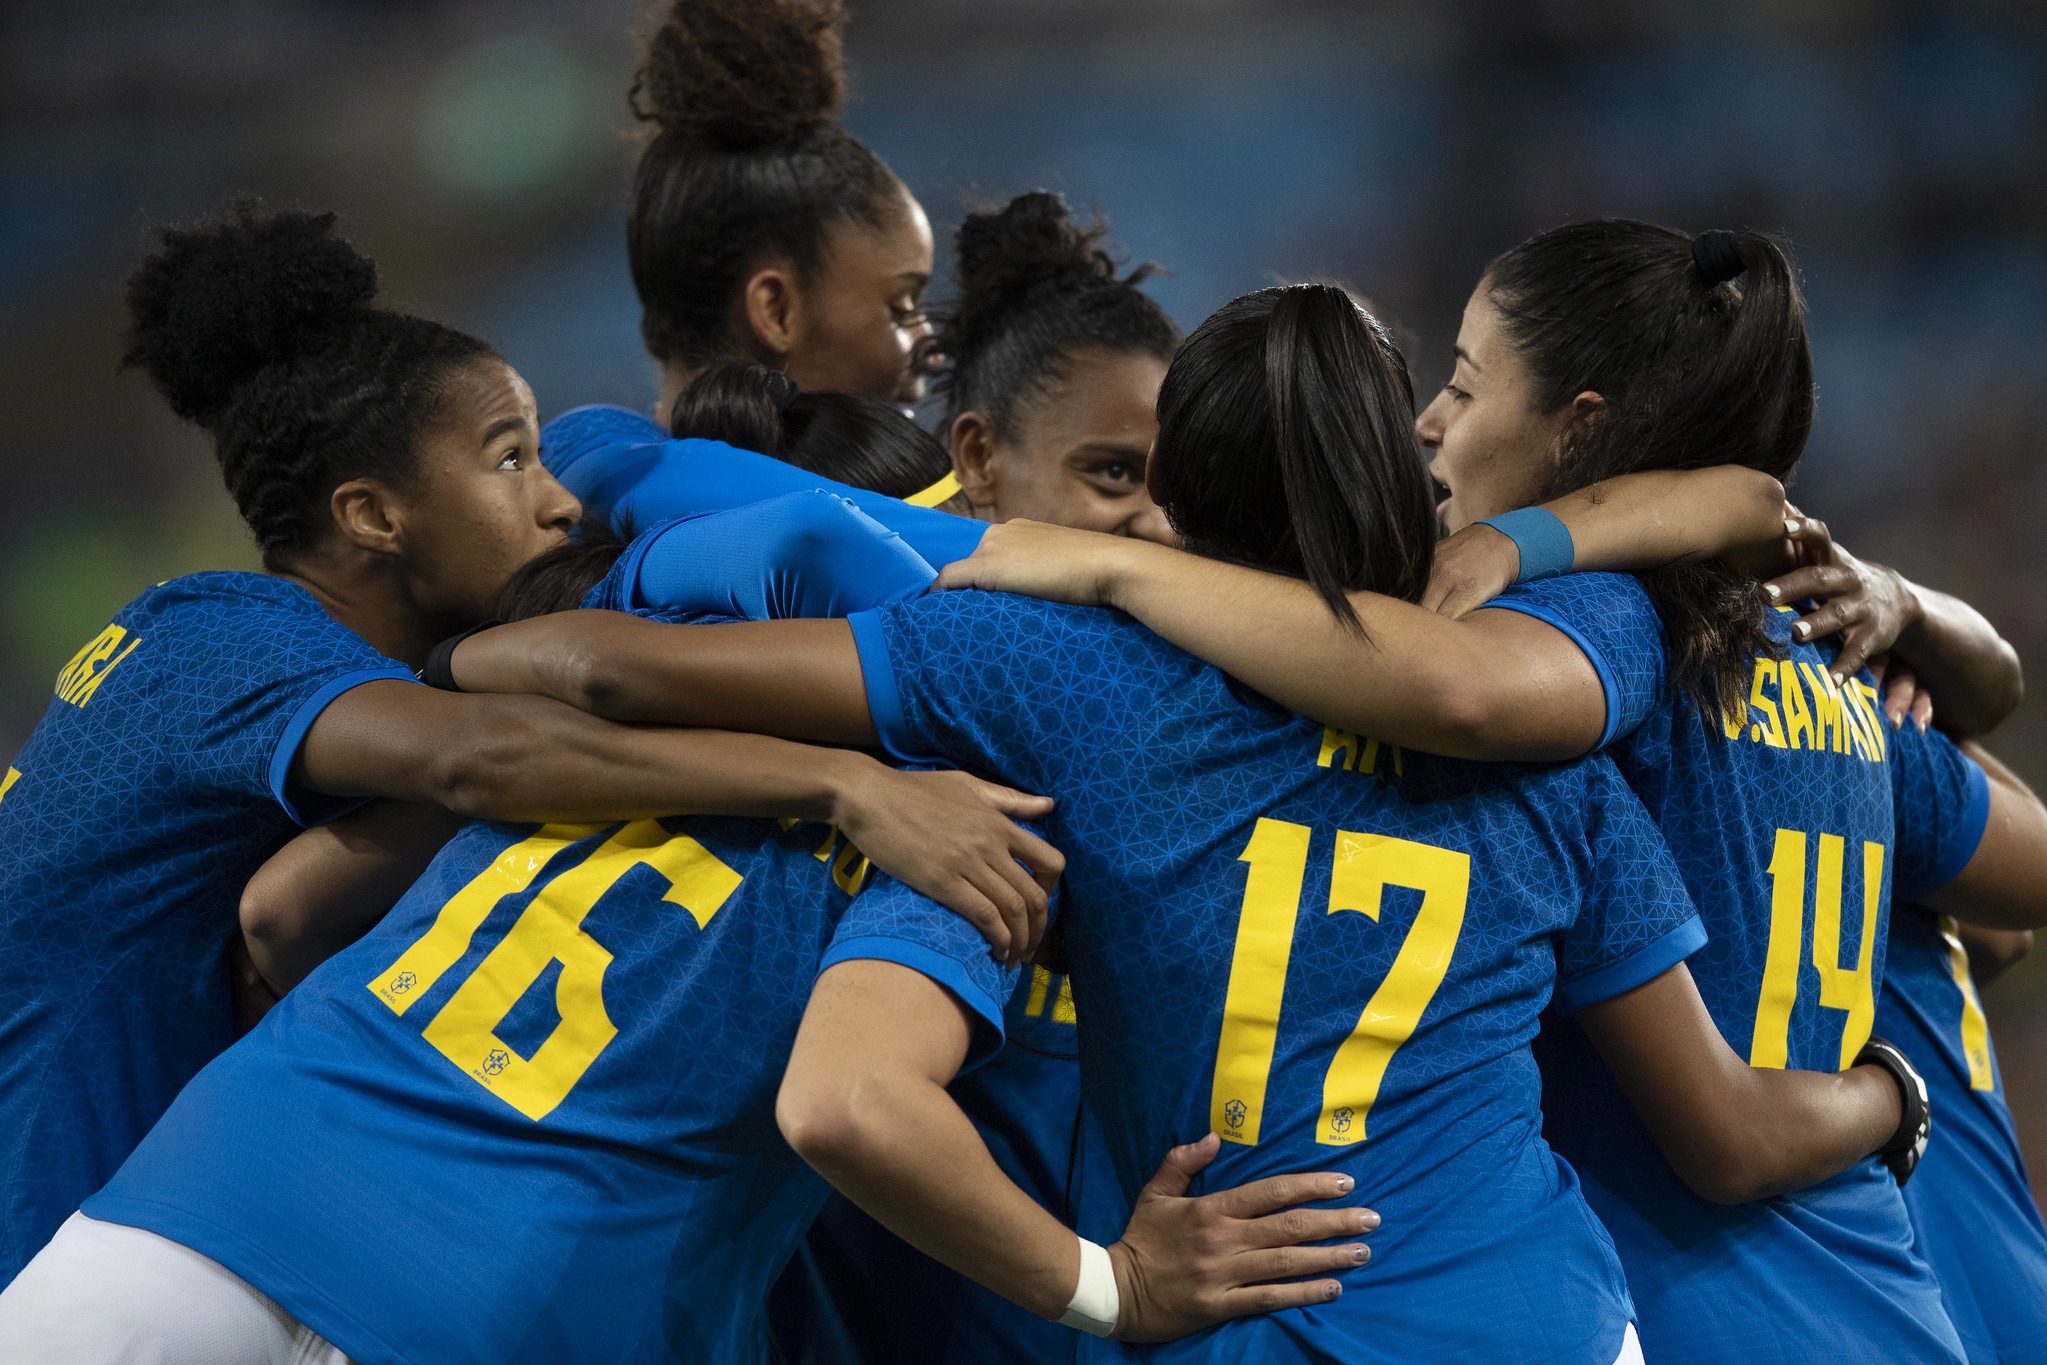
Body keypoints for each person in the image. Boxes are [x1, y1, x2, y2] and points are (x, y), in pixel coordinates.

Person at [436, 284, 1939, 1364]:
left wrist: (463, 657)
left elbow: (590, 668)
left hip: (1249, 1317)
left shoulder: (1049, 673)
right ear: (1396, 481)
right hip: (1545, 1314)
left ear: (1176, 495)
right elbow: (1747, 523)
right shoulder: (1566, 723)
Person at [0, 380, 1378, 1363]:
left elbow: (279, 910)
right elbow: (850, 1109)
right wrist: (1113, 1290)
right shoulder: (957, 825)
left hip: (179, 1212)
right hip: (490, 1301)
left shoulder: (572, 748)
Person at [929, 222, 2047, 1363]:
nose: (1427, 422)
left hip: (1695, 1309)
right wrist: (1921, 613)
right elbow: (2011, 899)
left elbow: (1455, 691)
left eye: (1462, 387)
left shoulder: (1586, 646)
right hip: (1902, 1302)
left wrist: (1126, 565)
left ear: (1580, 428)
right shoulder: (1816, 653)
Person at [0, 206, 1056, 1285]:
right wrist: (842, 783)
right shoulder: (222, 634)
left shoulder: (294, 671)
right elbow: (480, 760)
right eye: (510, 461)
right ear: (371, 515)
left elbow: (283, 905)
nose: (557, 503)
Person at [771, 189, 1183, 1365]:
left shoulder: (1175, 665)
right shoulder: (951, 720)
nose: (1155, 529)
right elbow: (852, 1105)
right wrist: (1114, 1291)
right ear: (978, 460)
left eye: (1174, 486)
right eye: (1112, 477)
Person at [628, 0, 936, 418]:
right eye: (900, 309)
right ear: (776, 312)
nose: (931, 354)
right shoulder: (851, 486)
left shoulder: (577, 474)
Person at [934, 191, 1181, 541]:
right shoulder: (860, 590)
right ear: (979, 457)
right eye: (1114, 473)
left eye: (1179, 492)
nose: (1163, 528)